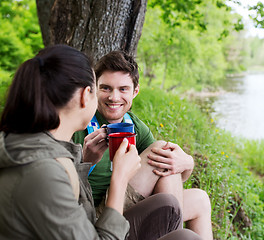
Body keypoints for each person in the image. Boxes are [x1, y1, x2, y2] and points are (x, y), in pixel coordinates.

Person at [0, 45, 201, 240]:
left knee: (180, 220)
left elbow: (74, 202)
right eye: (101, 89)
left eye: (123, 89)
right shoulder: (41, 169)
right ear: (84, 96)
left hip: (95, 223)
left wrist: (86, 162)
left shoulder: (37, 143)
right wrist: (120, 178)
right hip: (101, 225)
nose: (112, 98)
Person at [73, 50, 213, 239]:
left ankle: (174, 234)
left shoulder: (135, 126)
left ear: (135, 91)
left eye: (123, 89)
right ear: (94, 88)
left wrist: (188, 163)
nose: (114, 97)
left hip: (126, 206)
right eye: (106, 88)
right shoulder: (80, 122)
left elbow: (172, 175)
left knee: (200, 200)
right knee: (161, 151)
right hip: (98, 216)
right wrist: (85, 160)